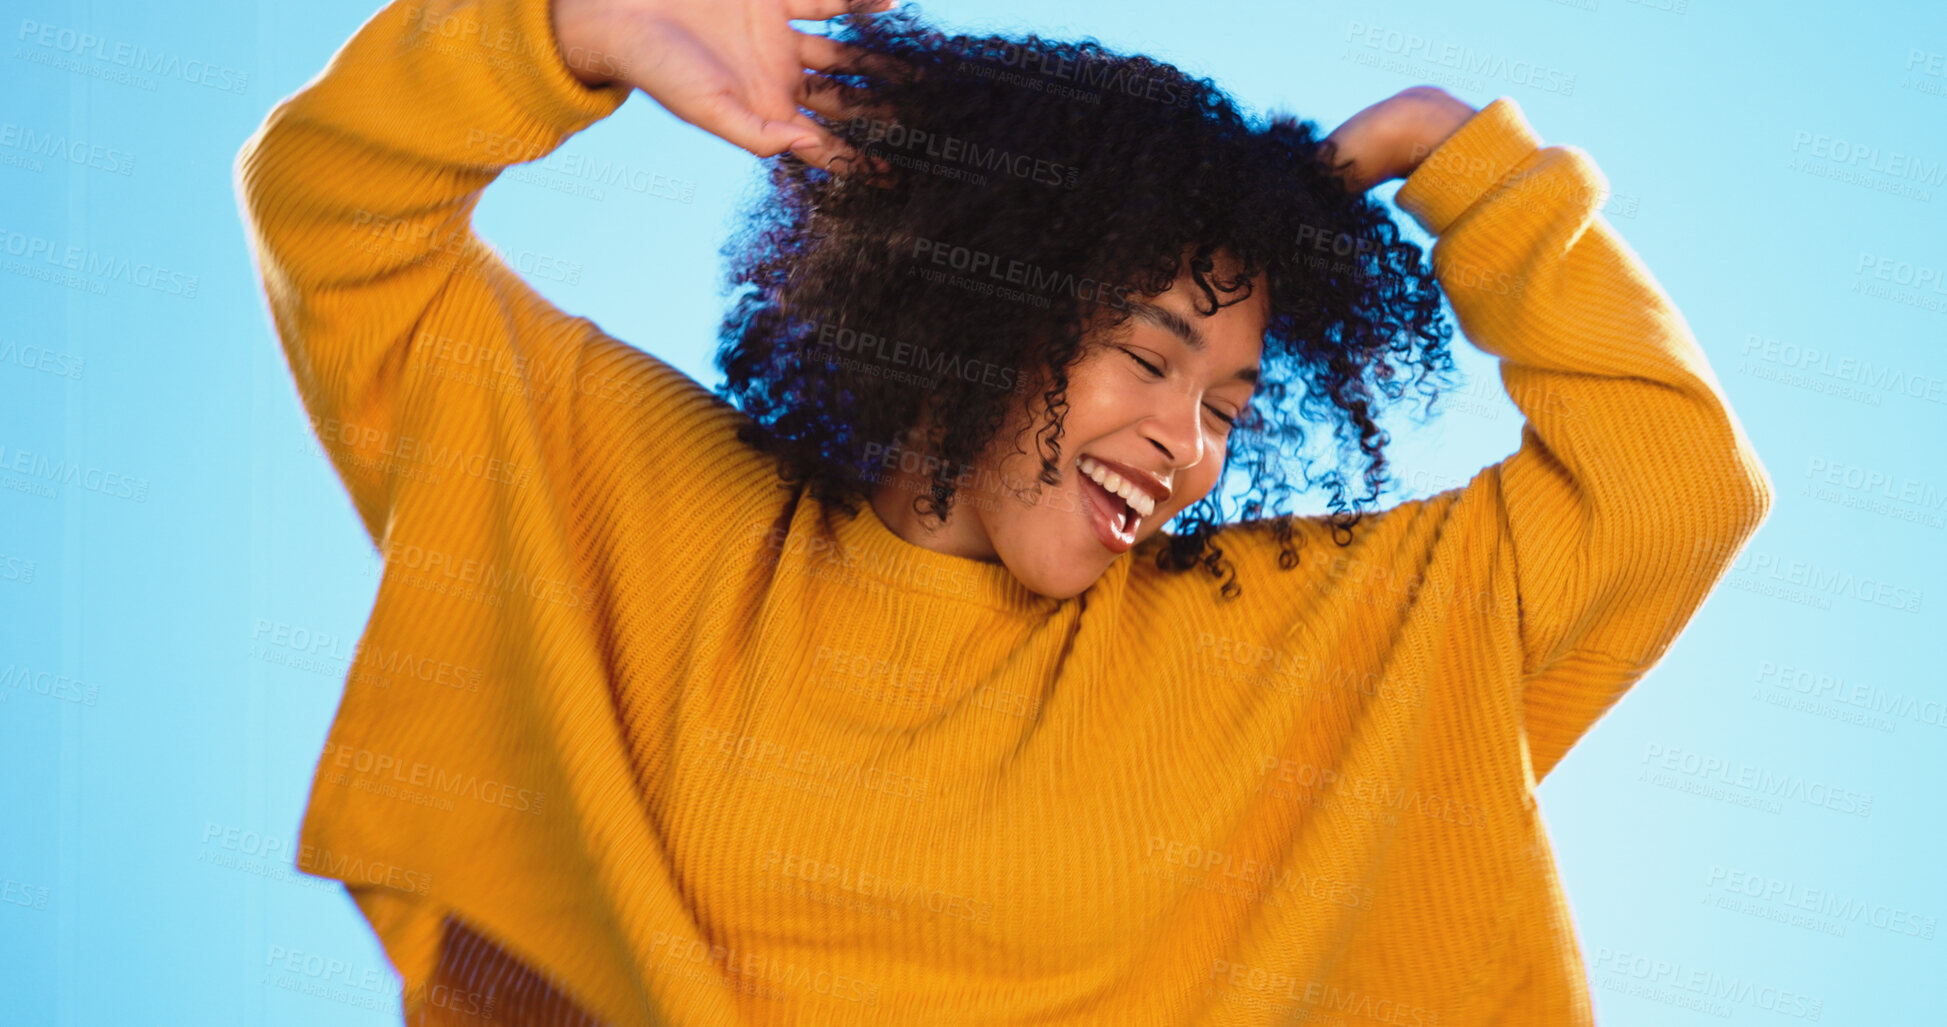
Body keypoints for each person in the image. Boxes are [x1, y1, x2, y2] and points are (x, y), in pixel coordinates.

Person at [234, 0, 1775, 1022]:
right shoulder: (644, 504)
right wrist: (567, 28)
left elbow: (1672, 482)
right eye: (1149, 358)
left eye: (1229, 408)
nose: (1184, 447)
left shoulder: (1296, 639)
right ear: (980, 307)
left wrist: (1466, 159)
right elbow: (338, 214)